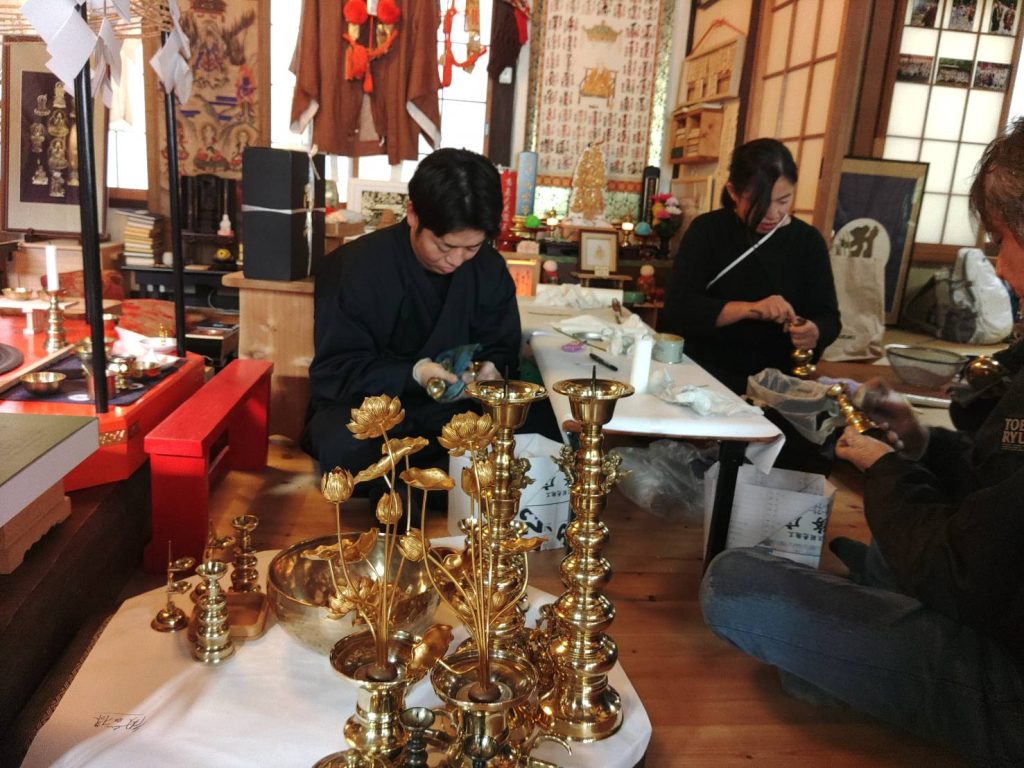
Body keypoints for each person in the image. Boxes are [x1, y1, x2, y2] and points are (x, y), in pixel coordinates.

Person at [699, 121, 1024, 765]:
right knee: (880, 549)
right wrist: (919, 441)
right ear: (734, 195)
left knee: (732, 587)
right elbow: (997, 488)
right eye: (764, 202)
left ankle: (856, 637)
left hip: (1004, 664)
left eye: (1001, 239)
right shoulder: (709, 236)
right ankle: (865, 611)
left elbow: (964, 568)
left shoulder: (804, 243)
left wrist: (885, 470)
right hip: (991, 587)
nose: (997, 262)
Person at [302, 148, 523, 488]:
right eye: (445, 246)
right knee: (344, 445)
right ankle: (429, 492)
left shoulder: (489, 268)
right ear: (413, 214)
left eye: (471, 248)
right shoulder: (355, 267)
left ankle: (422, 491)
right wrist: (415, 374)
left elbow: (504, 348)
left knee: (532, 431)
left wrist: (490, 370)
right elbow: (335, 373)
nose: (456, 260)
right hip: (372, 412)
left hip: (453, 414)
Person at [662, 139, 841, 394]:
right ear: (733, 192)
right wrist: (751, 309)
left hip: (777, 385)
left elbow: (829, 318)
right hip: (704, 377)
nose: (772, 213)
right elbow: (679, 308)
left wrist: (814, 331)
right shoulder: (707, 231)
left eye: (783, 200)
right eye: (758, 203)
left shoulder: (808, 242)